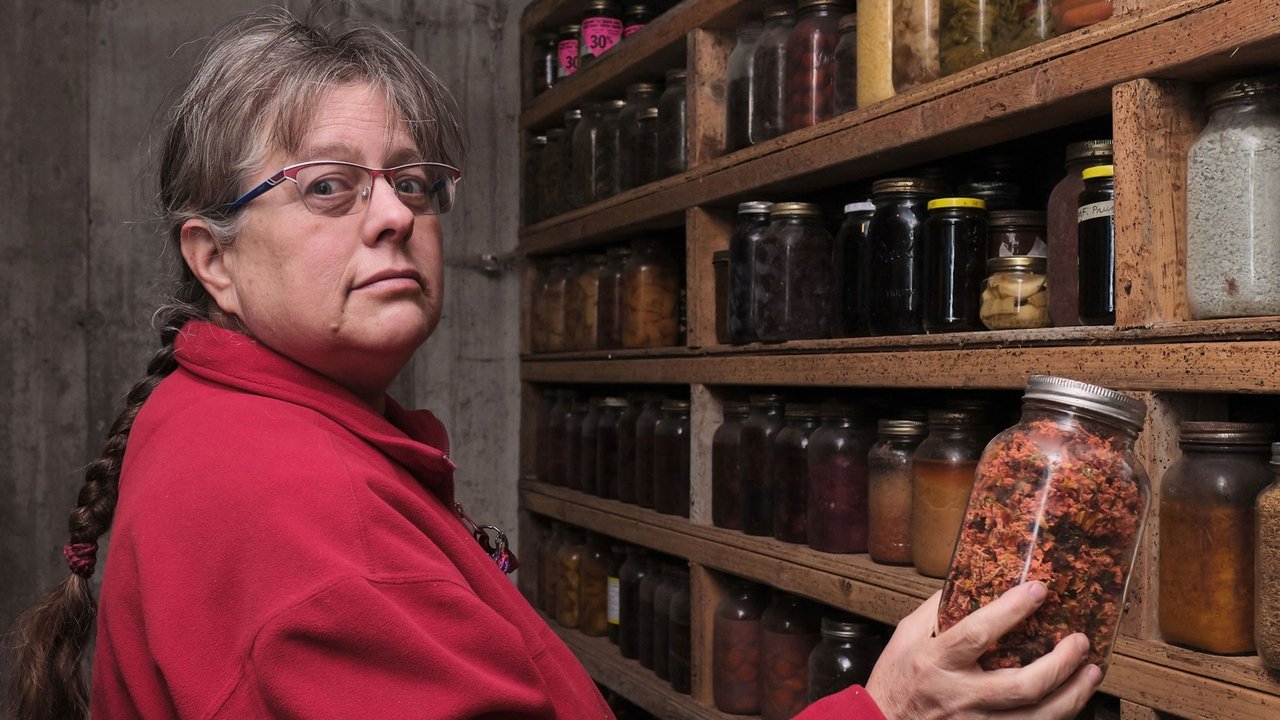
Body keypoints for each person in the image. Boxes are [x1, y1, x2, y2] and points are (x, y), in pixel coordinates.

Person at [5, 10, 1101, 720]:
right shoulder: (308, 527)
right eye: (328, 187)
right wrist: (889, 706)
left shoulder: (221, 418)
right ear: (214, 260)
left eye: (413, 181)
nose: (393, 216)